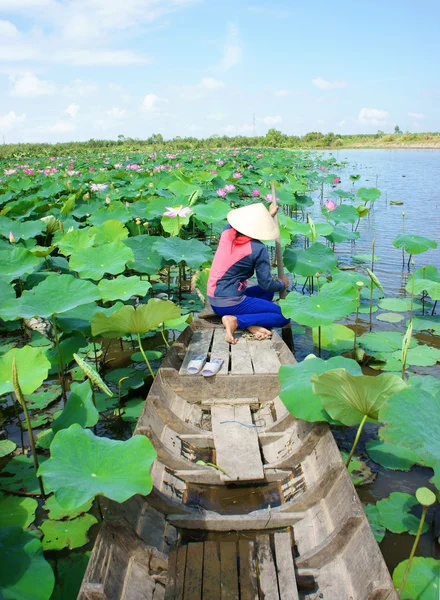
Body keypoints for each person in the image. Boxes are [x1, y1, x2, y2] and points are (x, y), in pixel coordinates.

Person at [207, 202, 290, 344]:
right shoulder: (257, 248)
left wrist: (268, 215)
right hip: (229, 303)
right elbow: (266, 284)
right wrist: (282, 283)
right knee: (284, 316)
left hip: (214, 299)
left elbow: (266, 290)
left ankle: (250, 324)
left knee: (268, 295)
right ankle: (237, 320)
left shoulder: (227, 232)